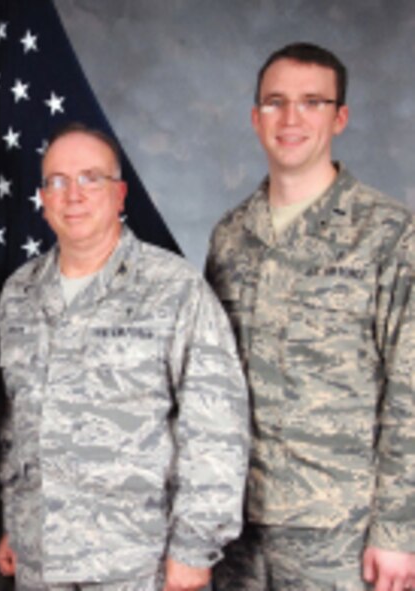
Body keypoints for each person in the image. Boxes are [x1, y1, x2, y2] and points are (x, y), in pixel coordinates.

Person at [0, 123, 249, 591]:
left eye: (91, 178)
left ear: (120, 194)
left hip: (136, 564)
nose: (74, 195)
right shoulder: (19, 293)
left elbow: (216, 425)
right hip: (41, 562)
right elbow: (17, 425)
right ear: (43, 198)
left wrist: (194, 548)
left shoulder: (173, 287)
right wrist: (16, 519)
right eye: (57, 181)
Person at [206, 42, 415, 590]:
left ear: (339, 117)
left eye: (312, 102)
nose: (291, 118)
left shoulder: (389, 234)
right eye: (275, 103)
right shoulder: (230, 237)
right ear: (256, 118)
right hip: (237, 527)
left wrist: (397, 530)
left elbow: (410, 390)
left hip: (340, 529)